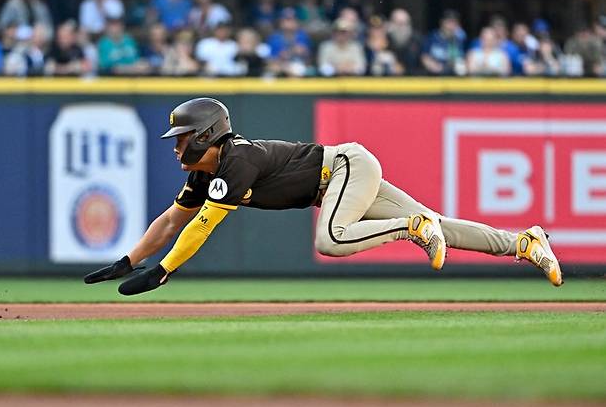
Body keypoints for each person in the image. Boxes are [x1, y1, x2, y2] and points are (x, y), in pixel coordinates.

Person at [83, 98, 564, 295]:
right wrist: (129, 261)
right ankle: (523, 243)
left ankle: (410, 229)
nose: (178, 147)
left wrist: (165, 271)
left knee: (331, 240)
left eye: (184, 138)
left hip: (344, 168)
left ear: (208, 135)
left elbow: (201, 227)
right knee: (443, 223)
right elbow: (172, 220)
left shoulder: (236, 161)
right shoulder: (206, 174)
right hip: (342, 176)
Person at [421, 9, 466, 75]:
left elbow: (461, 59)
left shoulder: (459, 40)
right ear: (442, 22)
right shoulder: (432, 37)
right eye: (449, 22)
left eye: (454, 23)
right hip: (433, 77)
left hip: (452, 77)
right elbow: (424, 57)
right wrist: (433, 66)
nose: (451, 26)